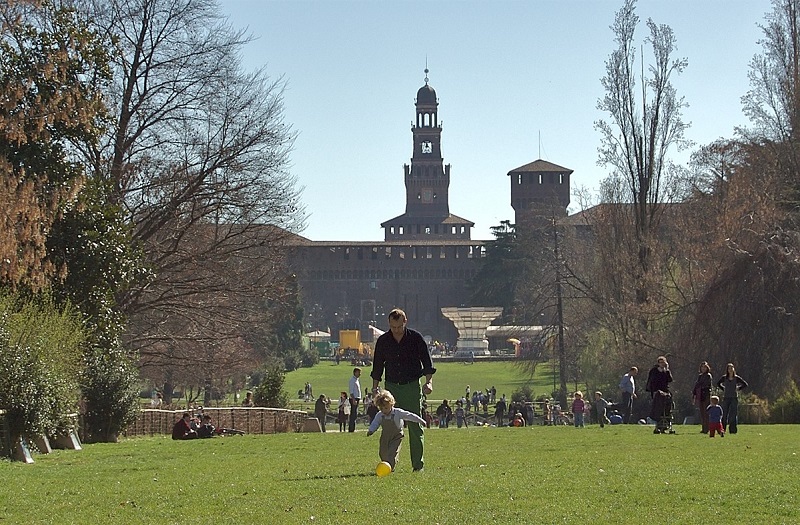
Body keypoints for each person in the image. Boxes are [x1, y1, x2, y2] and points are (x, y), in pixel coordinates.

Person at [371, 308, 436, 472]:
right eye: (393, 327)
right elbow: (378, 366)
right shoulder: (383, 341)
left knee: (415, 425)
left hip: (412, 386)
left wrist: (429, 383)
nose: (396, 331)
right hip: (392, 388)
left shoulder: (415, 338)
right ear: (389, 324)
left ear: (405, 322)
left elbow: (427, 363)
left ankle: (418, 465)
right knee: (389, 428)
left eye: (399, 327)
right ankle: (389, 462)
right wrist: (375, 387)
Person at [366, 390, 427, 472]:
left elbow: (409, 416)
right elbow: (375, 423)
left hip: (397, 436)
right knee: (382, 453)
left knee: (393, 452)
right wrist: (371, 430)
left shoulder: (398, 413)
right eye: (381, 408)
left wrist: (421, 421)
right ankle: (385, 464)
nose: (384, 410)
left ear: (391, 404)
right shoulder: (380, 415)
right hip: (385, 436)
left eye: (386, 408)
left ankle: (390, 468)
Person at [716, 363, 748, 434]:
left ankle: (733, 430)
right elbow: (718, 383)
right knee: (724, 414)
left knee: (733, 414)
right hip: (726, 397)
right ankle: (722, 429)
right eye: (729, 368)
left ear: (733, 369)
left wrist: (738, 388)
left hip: (734, 398)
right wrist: (723, 388)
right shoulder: (724, 378)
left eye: (731, 368)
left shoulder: (736, 378)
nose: (730, 370)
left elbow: (745, 384)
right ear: (727, 370)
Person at [645, 356, 673, 420]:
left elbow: (670, 380)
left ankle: (666, 419)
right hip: (656, 390)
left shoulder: (666, 371)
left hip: (665, 390)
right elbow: (652, 381)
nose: (662, 364)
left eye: (663, 363)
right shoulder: (654, 370)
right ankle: (656, 419)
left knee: (667, 403)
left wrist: (667, 370)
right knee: (658, 406)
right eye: (661, 363)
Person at [692, 361, 714, 434]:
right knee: (701, 412)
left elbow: (707, 385)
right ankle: (703, 428)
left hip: (706, 394)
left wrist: (700, 386)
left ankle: (707, 428)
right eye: (702, 367)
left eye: (704, 367)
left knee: (706, 412)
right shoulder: (700, 376)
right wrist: (694, 393)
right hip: (700, 394)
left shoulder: (708, 376)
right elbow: (696, 385)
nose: (703, 368)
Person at [348, 367, 362, 432]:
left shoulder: (357, 380)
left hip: (357, 398)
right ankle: (351, 429)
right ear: (355, 372)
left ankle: (353, 428)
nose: (360, 374)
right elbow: (351, 391)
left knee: (355, 414)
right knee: (353, 414)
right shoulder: (352, 380)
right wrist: (353, 399)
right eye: (358, 372)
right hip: (354, 398)